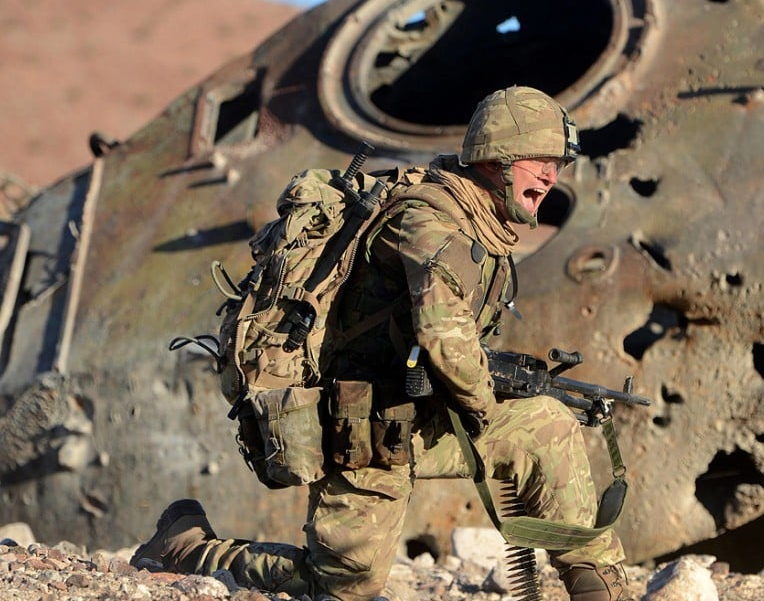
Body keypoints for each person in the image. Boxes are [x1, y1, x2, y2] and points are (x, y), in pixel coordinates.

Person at [132, 86, 628, 600]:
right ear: (495, 157)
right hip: (363, 429)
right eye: (539, 161)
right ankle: (186, 548)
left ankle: (599, 587)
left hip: (418, 411)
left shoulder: (477, 221)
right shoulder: (432, 221)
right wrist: (482, 402)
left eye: (558, 165)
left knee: (549, 426)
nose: (551, 176)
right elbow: (443, 337)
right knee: (346, 586)